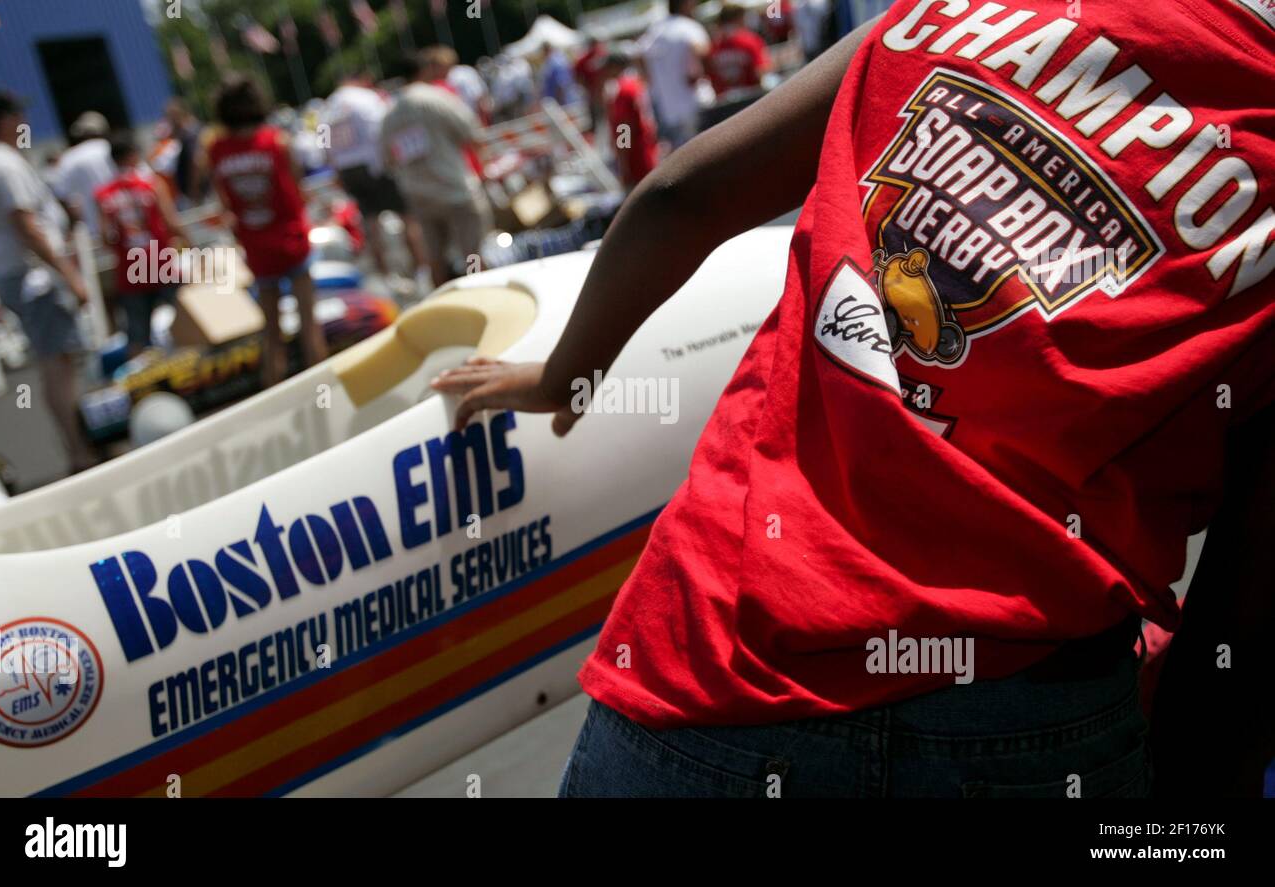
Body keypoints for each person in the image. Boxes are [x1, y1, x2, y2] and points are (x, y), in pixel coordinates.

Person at [432, 0, 1275, 798]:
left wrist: (564, 373)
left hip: (718, 658)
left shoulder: (961, 11)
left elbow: (682, 196)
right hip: (1027, 705)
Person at [0, 91, 96, 475]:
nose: (25, 120)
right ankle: (78, 450)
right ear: (4, 120)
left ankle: (79, 445)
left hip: (18, 274)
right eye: (19, 113)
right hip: (34, 279)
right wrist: (69, 273)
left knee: (56, 360)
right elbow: (26, 226)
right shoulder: (5, 165)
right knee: (56, 362)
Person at [202, 75, 327, 388]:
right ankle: (324, 393)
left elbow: (223, 200)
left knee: (271, 331)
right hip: (291, 239)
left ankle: (274, 391)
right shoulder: (276, 140)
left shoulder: (216, 149)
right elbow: (298, 189)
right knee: (308, 324)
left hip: (255, 245)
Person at [381, 52, 491, 288]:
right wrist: (484, 169)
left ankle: (443, 304)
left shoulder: (390, 114)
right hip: (455, 187)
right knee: (472, 253)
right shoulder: (436, 99)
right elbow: (472, 133)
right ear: (423, 71)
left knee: (435, 259)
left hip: (420, 195)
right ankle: (482, 291)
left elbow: (387, 159)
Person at [324, 70, 430, 283]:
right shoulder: (365, 98)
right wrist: (390, 160)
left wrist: (336, 168)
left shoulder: (327, 108)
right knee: (407, 216)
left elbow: (324, 142)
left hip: (348, 169)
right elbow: (381, 130)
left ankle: (385, 275)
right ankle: (421, 269)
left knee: (370, 221)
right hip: (375, 165)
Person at [94, 134, 189, 359]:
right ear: (134, 155)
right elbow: (171, 221)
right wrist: (190, 244)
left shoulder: (103, 194)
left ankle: (137, 381)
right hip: (160, 262)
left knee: (137, 335)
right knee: (187, 318)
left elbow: (106, 237)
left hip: (130, 269)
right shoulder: (152, 184)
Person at [638, 0, 711, 150]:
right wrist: (693, 70)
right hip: (696, 103)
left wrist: (651, 80)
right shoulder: (688, 27)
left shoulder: (656, 30)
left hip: (669, 109)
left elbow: (639, 54)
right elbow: (701, 49)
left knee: (685, 154)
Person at [600, 49, 659, 190]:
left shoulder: (623, 89)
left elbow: (624, 127)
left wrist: (623, 162)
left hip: (636, 154)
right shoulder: (636, 82)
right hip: (646, 147)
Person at [53, 111, 115, 239]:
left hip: (93, 231)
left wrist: (74, 222)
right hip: (127, 227)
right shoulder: (113, 149)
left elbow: (60, 194)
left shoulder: (68, 157)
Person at [706, 4, 771, 98]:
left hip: (724, 101)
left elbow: (710, 76)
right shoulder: (750, 40)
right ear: (739, 17)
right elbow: (762, 70)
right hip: (751, 97)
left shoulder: (713, 46)